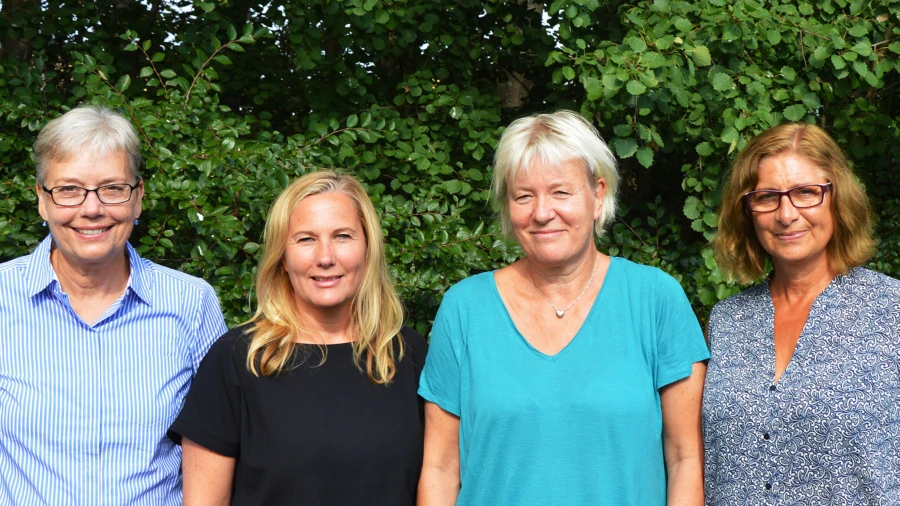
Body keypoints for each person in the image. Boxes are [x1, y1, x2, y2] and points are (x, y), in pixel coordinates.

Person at [417, 110, 709, 505]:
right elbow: (440, 469)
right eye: (524, 195)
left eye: (560, 192)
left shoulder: (655, 299)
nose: (541, 212)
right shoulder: (464, 309)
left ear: (598, 194)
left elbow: (684, 458)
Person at [0, 106, 227, 505]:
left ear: (138, 198)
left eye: (112, 188)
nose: (92, 209)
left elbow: (224, 441)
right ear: (41, 199)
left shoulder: (191, 304)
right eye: (68, 189)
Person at [169, 170, 427, 506]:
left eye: (343, 236)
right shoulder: (236, 360)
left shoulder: (410, 355)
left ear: (368, 248)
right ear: (282, 257)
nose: (324, 257)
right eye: (306, 239)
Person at [703, 123, 900, 504]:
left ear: (837, 199)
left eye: (806, 193)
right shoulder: (727, 323)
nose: (786, 214)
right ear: (747, 210)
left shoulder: (891, 311)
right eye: (766, 197)